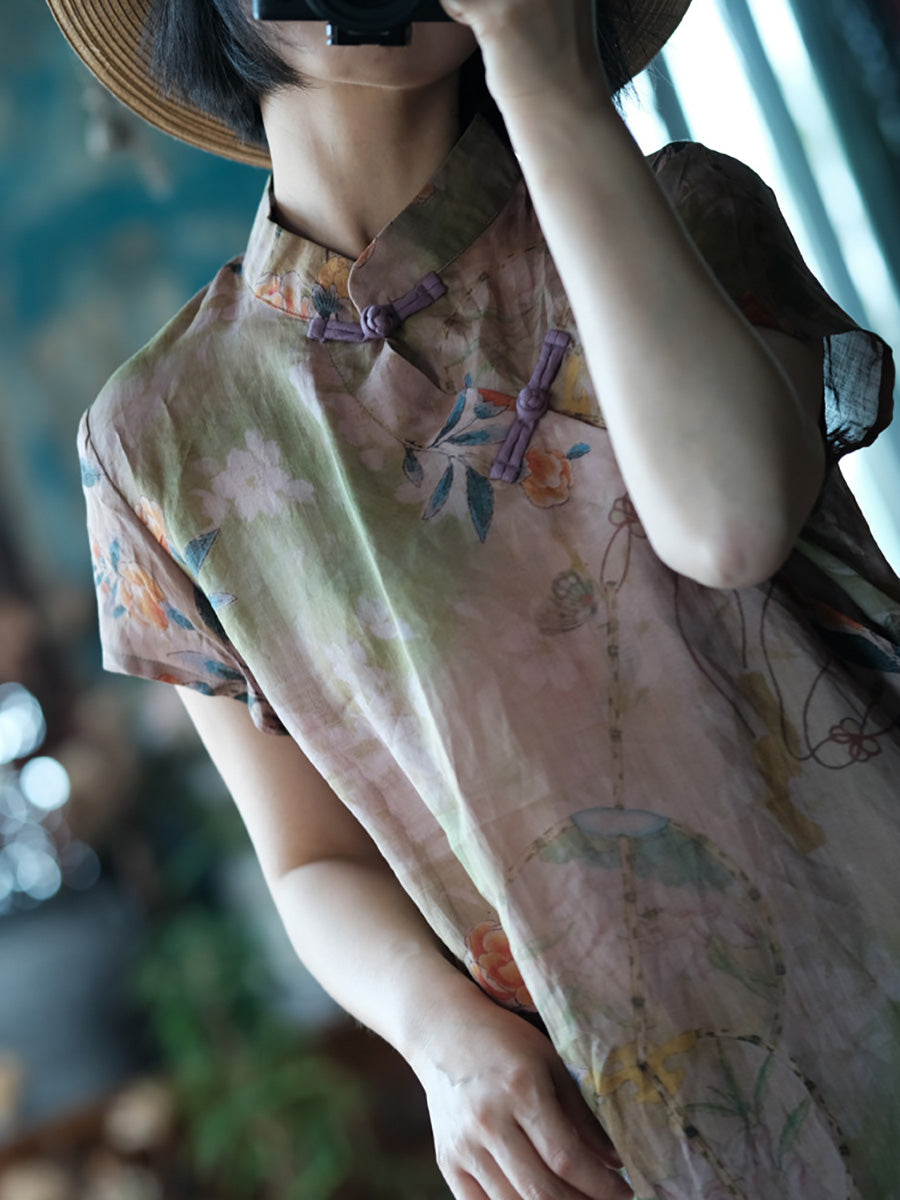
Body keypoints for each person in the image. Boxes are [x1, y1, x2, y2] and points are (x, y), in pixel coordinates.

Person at [47, 0, 900, 1195]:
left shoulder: (689, 213)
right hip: (636, 1128)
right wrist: (440, 1039)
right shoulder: (159, 441)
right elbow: (309, 859)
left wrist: (544, 68)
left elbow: (727, 522)